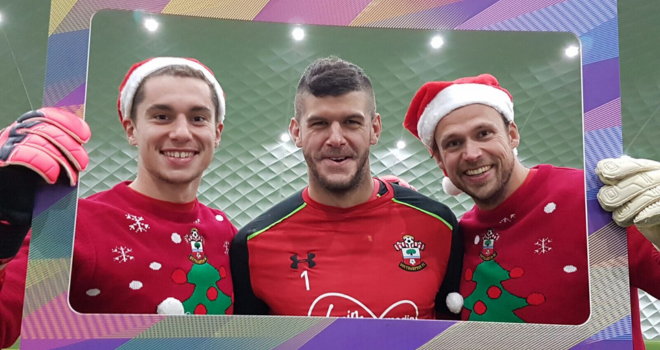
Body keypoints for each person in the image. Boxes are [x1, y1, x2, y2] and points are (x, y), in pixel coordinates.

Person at [402, 74, 660, 349]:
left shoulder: (592, 200)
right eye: (453, 143)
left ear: (512, 134)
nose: (472, 153)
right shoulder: (457, 238)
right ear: (441, 161)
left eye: (484, 133)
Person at [0, 57, 237, 348]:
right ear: (131, 130)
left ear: (217, 133)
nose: (181, 133)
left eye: (198, 118)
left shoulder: (224, 230)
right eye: (162, 116)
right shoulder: (75, 224)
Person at [230, 56, 464, 319]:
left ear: (374, 129)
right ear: (297, 133)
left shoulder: (439, 225)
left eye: (352, 122)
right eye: (319, 123)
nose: (336, 139)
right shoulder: (254, 244)